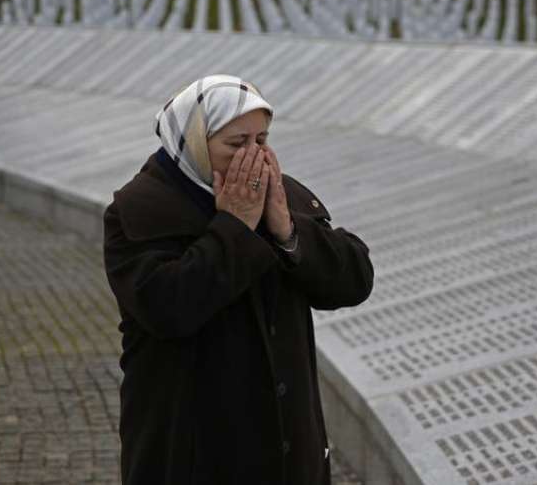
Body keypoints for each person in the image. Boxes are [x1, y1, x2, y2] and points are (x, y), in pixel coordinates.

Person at [102, 74, 374, 485]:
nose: (253, 157)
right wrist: (235, 227)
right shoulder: (138, 210)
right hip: (192, 453)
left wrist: (288, 231)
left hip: (288, 452)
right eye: (235, 143)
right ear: (194, 141)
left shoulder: (280, 194)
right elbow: (168, 309)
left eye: (261, 141)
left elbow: (355, 281)